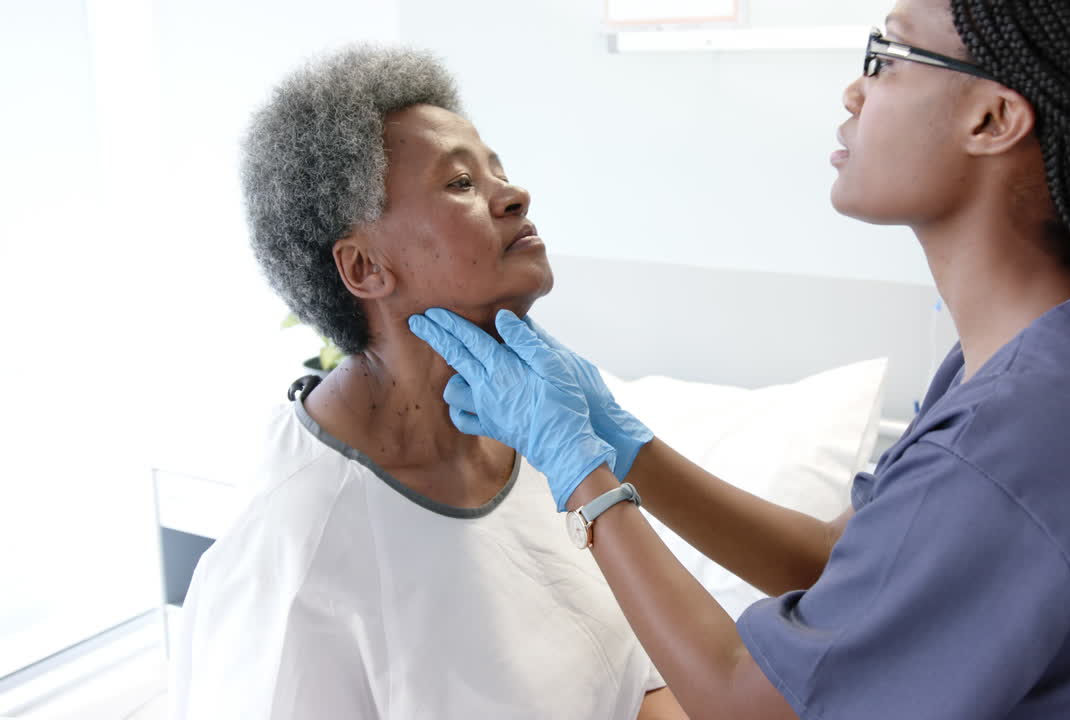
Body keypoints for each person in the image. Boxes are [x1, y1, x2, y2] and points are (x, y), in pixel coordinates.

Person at [407, 0, 1070, 717]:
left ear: (992, 117)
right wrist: (622, 439)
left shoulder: (1019, 439)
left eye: (887, 56)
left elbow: (752, 704)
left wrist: (584, 475)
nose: (855, 93)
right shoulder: (1061, 344)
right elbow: (846, 567)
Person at [169, 46, 684, 720]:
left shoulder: (543, 442)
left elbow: (640, 682)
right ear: (364, 268)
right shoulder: (300, 550)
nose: (515, 194)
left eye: (496, 170)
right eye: (461, 183)